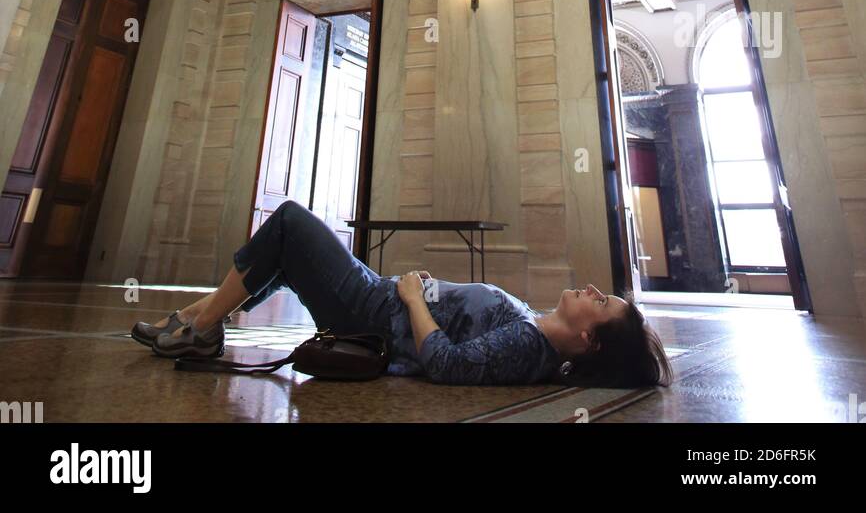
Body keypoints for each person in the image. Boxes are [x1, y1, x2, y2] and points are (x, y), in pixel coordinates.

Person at [131, 201, 672, 389]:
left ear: (589, 340)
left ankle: (199, 328)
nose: (594, 291)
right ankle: (193, 319)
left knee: (291, 223)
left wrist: (414, 299)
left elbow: (449, 365)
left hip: (374, 313)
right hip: (379, 299)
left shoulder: (529, 350)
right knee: (286, 251)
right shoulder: (534, 330)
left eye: (602, 304)